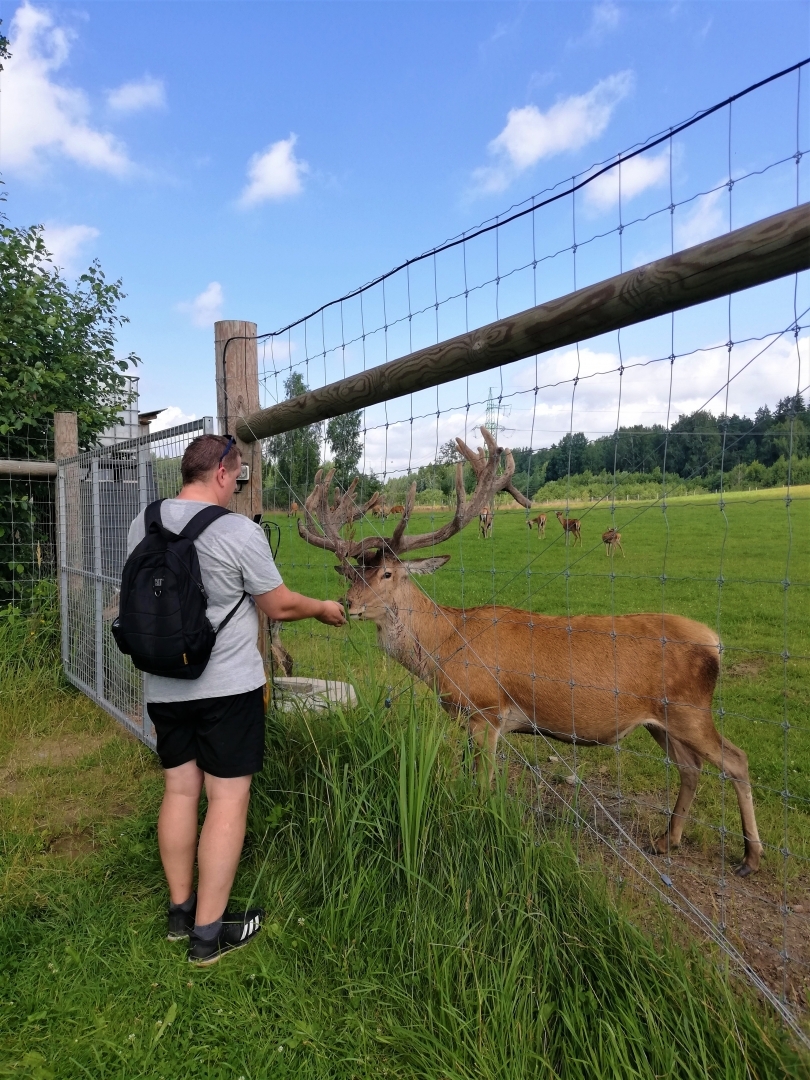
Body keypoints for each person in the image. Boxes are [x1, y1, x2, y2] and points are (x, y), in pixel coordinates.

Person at [125, 433, 346, 964]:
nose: (237, 486)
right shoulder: (238, 531)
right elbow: (279, 607)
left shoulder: (144, 523)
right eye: (239, 475)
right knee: (227, 800)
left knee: (180, 791)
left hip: (163, 681)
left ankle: (181, 913)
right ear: (222, 472)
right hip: (226, 689)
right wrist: (321, 607)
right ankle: (209, 936)